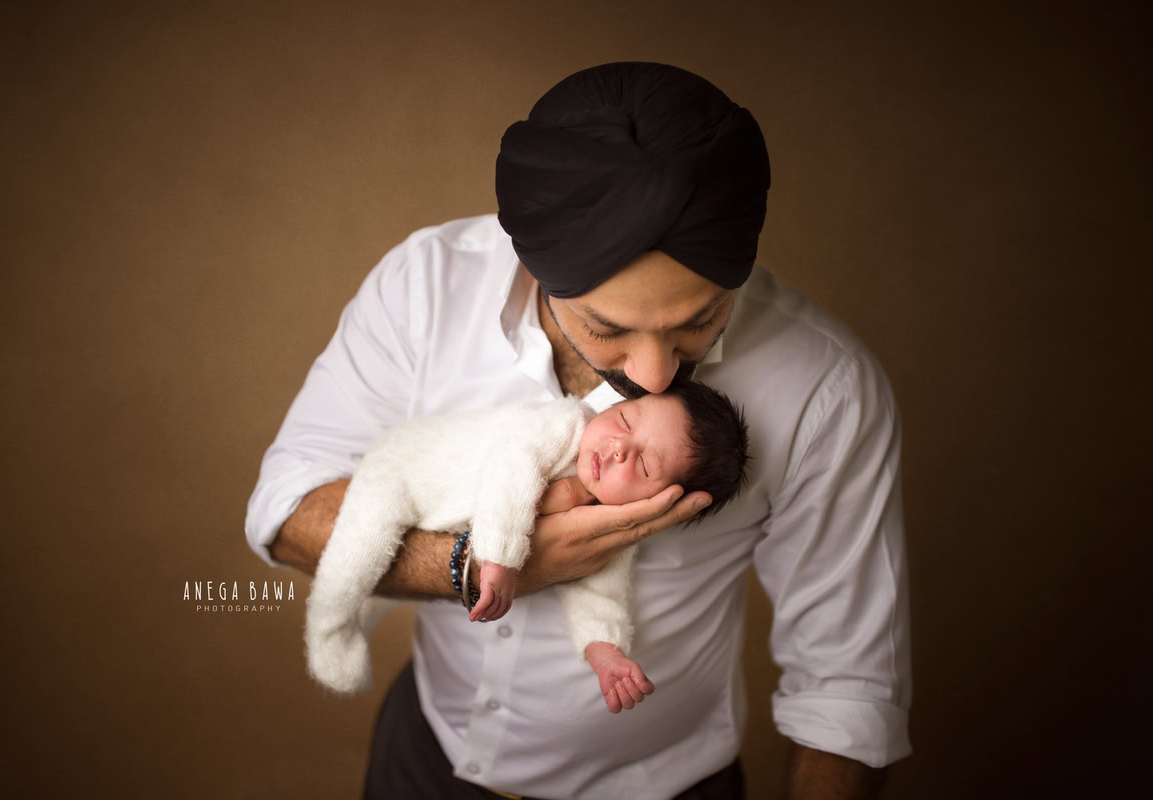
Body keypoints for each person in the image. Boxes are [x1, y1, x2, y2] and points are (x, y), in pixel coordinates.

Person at [247, 62, 911, 799]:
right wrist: (477, 564)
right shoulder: (425, 287)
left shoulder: (823, 386)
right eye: (608, 327)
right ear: (534, 267)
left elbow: (849, 685)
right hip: (427, 757)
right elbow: (284, 509)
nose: (657, 375)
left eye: (701, 319)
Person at [304, 383, 750, 716]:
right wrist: (497, 559)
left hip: (439, 516)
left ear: (659, 503)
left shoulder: (613, 525)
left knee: (386, 580)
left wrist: (605, 649)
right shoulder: (565, 425)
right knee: (361, 551)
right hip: (401, 468)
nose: (617, 448)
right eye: (626, 421)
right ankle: (329, 625)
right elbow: (511, 470)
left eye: (644, 464)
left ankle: (360, 615)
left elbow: (600, 589)